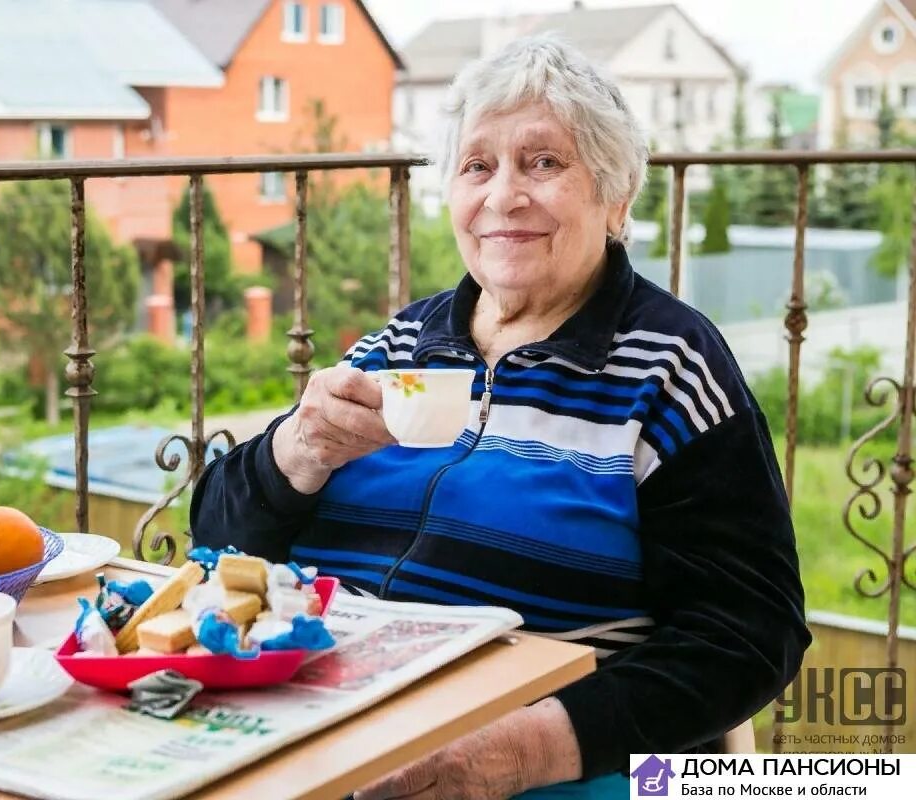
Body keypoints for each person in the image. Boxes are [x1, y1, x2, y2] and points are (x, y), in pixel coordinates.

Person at [190, 35, 809, 799]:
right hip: (315, 722)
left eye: (543, 164)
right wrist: (294, 452)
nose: (503, 195)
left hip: (540, 759)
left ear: (616, 197)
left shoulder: (669, 365)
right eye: (477, 166)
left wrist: (518, 753)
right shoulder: (400, 345)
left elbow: (749, 635)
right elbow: (214, 540)